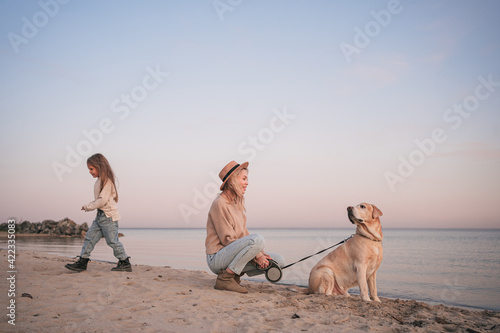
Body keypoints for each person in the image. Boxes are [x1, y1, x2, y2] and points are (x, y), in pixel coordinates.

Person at [205, 161, 284, 293]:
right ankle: (226, 278)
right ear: (232, 180)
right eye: (244, 179)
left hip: (232, 253)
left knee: (279, 261)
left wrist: (261, 254)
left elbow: (244, 236)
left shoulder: (237, 203)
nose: (247, 183)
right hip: (217, 258)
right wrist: (256, 255)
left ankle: (234, 275)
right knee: (258, 239)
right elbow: (227, 240)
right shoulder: (220, 203)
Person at [65, 153, 131, 272]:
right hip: (100, 216)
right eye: (89, 169)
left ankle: (124, 262)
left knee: (112, 240)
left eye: (91, 169)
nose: (90, 171)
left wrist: (88, 206)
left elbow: (102, 201)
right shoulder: (100, 181)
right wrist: (90, 205)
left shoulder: (107, 182)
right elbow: (99, 201)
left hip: (108, 217)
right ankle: (82, 261)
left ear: (99, 166)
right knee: (89, 237)